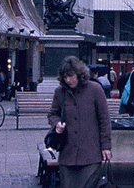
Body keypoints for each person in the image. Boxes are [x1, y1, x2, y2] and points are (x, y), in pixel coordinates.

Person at [48, 57, 112, 188]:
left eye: (71, 76)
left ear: (79, 74)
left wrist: (106, 146)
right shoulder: (60, 92)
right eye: (65, 77)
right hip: (68, 153)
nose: (68, 80)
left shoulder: (95, 89)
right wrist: (57, 124)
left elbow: (104, 119)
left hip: (91, 154)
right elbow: (52, 114)